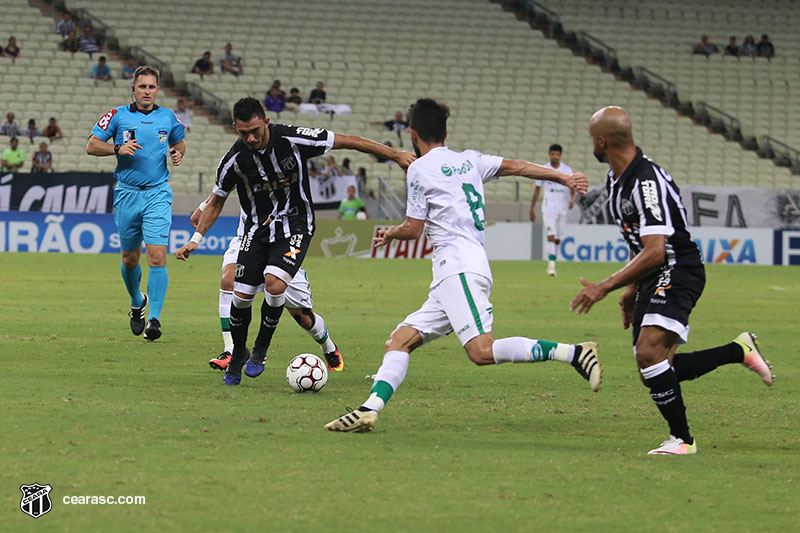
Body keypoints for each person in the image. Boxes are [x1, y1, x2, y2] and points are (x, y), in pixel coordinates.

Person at [324, 98, 600, 433]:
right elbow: (517, 166)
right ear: (446, 131)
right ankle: (369, 410)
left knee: (481, 351)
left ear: (413, 135)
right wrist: (562, 177)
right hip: (453, 274)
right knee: (399, 341)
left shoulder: (418, 169)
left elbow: (413, 229)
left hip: (458, 267)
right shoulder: (470, 160)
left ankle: (574, 354)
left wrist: (391, 233)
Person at [570, 106, 774, 455]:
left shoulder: (646, 183)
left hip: (678, 268)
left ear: (601, 140)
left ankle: (683, 440)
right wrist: (632, 290)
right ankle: (737, 350)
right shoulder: (616, 180)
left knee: (649, 355)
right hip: (655, 273)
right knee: (654, 366)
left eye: (592, 137)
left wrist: (605, 287)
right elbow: (641, 244)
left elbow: (656, 251)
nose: (592, 143)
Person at [174, 96, 414, 386]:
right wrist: (196, 239)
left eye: (255, 131)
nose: (250, 138)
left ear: (266, 122)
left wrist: (395, 154)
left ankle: (264, 349)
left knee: (286, 297)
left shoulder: (292, 139)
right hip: (255, 233)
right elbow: (217, 200)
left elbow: (348, 140)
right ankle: (237, 353)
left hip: (295, 225)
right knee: (239, 293)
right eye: (242, 133)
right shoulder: (234, 161)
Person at [86, 65, 186, 341]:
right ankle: (136, 301)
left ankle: (154, 318)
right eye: (142, 86)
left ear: (157, 90)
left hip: (157, 193)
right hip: (128, 193)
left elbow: (180, 142)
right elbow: (92, 145)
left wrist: (177, 153)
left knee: (157, 256)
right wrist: (117, 148)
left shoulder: (168, 117)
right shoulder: (117, 116)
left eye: (151, 87)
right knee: (130, 259)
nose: (147, 91)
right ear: (133, 89)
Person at [189, 197, 344, 373]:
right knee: (228, 281)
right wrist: (203, 206)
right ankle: (231, 351)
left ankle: (328, 345)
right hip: (247, 239)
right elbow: (224, 185)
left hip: (281, 243)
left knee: (305, 318)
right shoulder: (243, 168)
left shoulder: (288, 172)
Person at [529, 143, 576, 277]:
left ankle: (552, 261)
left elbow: (573, 187)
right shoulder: (543, 169)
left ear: (560, 155)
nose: (555, 156)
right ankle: (551, 266)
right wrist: (532, 207)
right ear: (549, 154)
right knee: (550, 235)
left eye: (557, 154)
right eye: (553, 154)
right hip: (549, 207)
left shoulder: (567, 170)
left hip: (562, 207)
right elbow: (537, 190)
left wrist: (572, 199)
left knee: (558, 239)